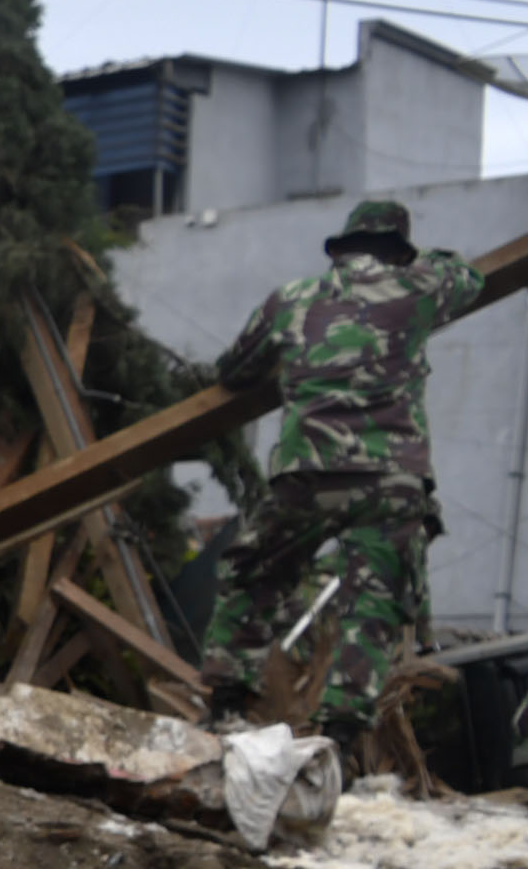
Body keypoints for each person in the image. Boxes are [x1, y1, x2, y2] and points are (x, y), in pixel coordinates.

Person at [205, 196, 488, 747]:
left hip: (307, 475)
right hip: (391, 482)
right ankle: (340, 734)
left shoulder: (291, 299)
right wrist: (416, 259)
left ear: (342, 248)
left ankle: (225, 705)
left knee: (255, 575)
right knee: (372, 605)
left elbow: (234, 371)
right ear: (397, 251)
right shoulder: (420, 288)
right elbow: (469, 275)